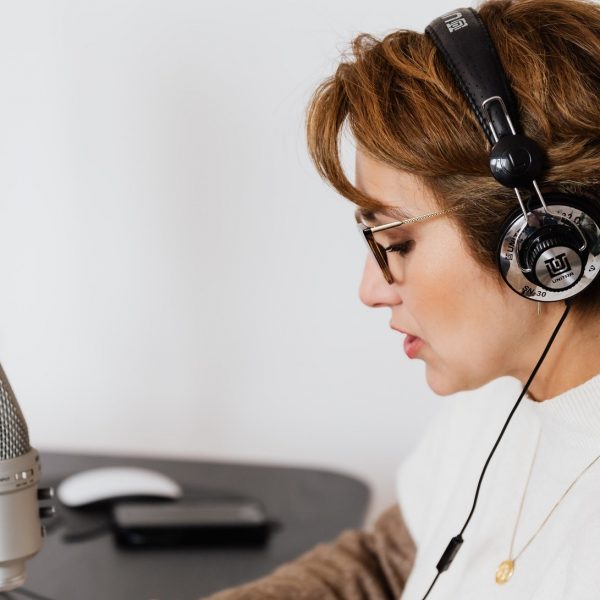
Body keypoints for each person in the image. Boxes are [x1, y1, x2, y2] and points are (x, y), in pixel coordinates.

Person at [204, 0, 600, 597]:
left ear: (541, 242)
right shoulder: (497, 395)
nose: (370, 290)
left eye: (396, 240)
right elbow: (385, 565)